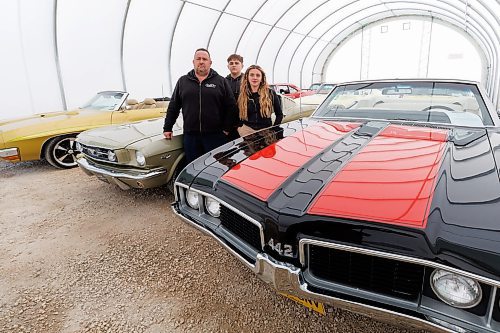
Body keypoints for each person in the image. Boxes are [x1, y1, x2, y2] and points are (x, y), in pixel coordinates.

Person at [163, 48, 237, 162]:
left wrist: (226, 129)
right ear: (193, 62)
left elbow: (231, 106)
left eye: (204, 59)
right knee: (193, 168)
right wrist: (168, 127)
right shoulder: (183, 81)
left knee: (216, 167)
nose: (201, 61)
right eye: (198, 59)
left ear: (210, 62)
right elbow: (174, 106)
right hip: (191, 136)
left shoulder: (221, 81)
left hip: (216, 136)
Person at [237, 65, 283, 137]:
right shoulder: (243, 94)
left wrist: (274, 129)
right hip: (247, 131)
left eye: (258, 75)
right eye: (252, 75)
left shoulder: (270, 93)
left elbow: (279, 114)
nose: (254, 77)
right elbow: (239, 114)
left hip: (266, 131)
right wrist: (240, 128)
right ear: (247, 77)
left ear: (262, 78)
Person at [225, 54, 244, 140]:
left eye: (237, 63)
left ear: (242, 65)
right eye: (231, 63)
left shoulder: (248, 81)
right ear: (228, 66)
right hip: (228, 125)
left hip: (244, 124)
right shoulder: (224, 81)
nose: (234, 65)